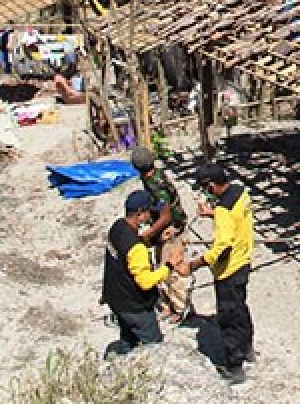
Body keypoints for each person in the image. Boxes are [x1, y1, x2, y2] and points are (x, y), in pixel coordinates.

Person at [102, 190, 192, 356]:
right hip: (135, 307)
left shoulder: (117, 227)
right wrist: (170, 266)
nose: (152, 216)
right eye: (150, 212)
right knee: (154, 346)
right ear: (140, 214)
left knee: (128, 338)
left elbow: (127, 250)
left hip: (115, 299)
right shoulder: (136, 249)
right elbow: (145, 281)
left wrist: (155, 240)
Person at [188, 163, 255, 384]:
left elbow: (222, 247)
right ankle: (247, 348)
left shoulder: (224, 210)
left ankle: (234, 366)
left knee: (228, 317)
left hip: (228, 270)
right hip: (243, 261)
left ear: (211, 185)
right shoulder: (240, 193)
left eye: (206, 188)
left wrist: (195, 264)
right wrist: (212, 214)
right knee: (241, 308)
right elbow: (235, 222)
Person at [130, 146, 191, 323]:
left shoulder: (156, 184)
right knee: (160, 267)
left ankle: (180, 309)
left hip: (171, 230)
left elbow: (165, 217)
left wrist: (146, 235)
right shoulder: (151, 177)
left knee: (173, 271)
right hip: (163, 231)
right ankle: (167, 304)